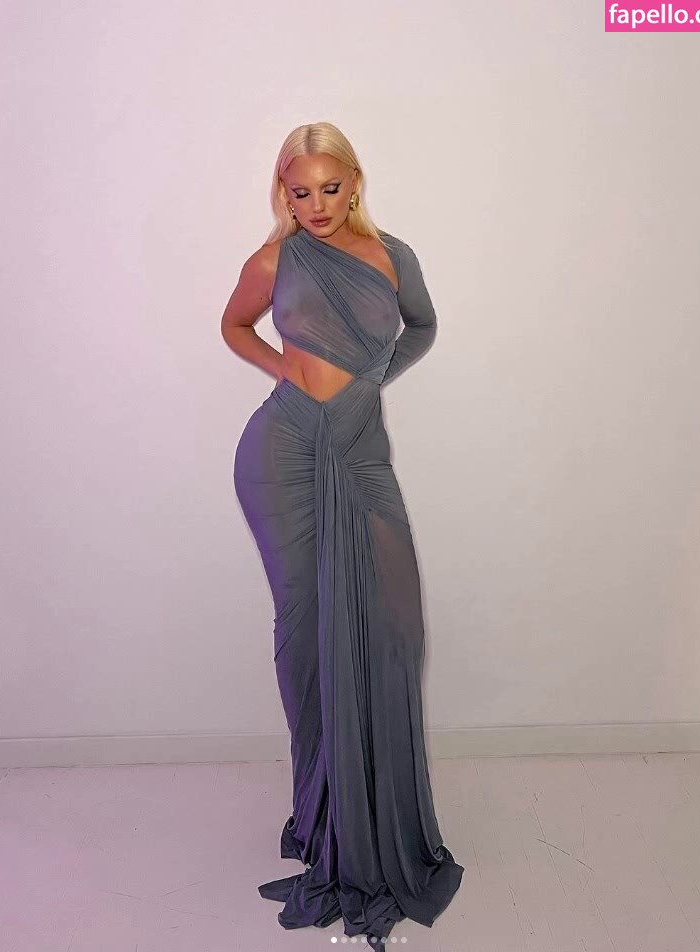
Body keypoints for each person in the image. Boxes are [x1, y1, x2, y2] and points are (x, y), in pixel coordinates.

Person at [220, 121, 464, 945]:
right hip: (283, 455)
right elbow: (234, 326)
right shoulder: (273, 261)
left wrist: (371, 379)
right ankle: (323, 814)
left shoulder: (394, 257)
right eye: (301, 191)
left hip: (359, 455)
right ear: (283, 193)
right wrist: (285, 371)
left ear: (354, 182)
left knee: (393, 628)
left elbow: (422, 325)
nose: (317, 204)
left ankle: (377, 817)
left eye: (330, 187)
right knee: (308, 632)